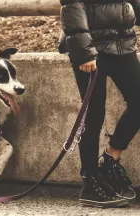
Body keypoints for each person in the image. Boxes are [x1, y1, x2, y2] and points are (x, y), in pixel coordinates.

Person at [58, 0, 140, 208]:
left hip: (122, 44)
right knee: (93, 114)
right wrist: (84, 52)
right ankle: (90, 181)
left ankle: (110, 160)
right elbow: (72, 6)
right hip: (91, 49)